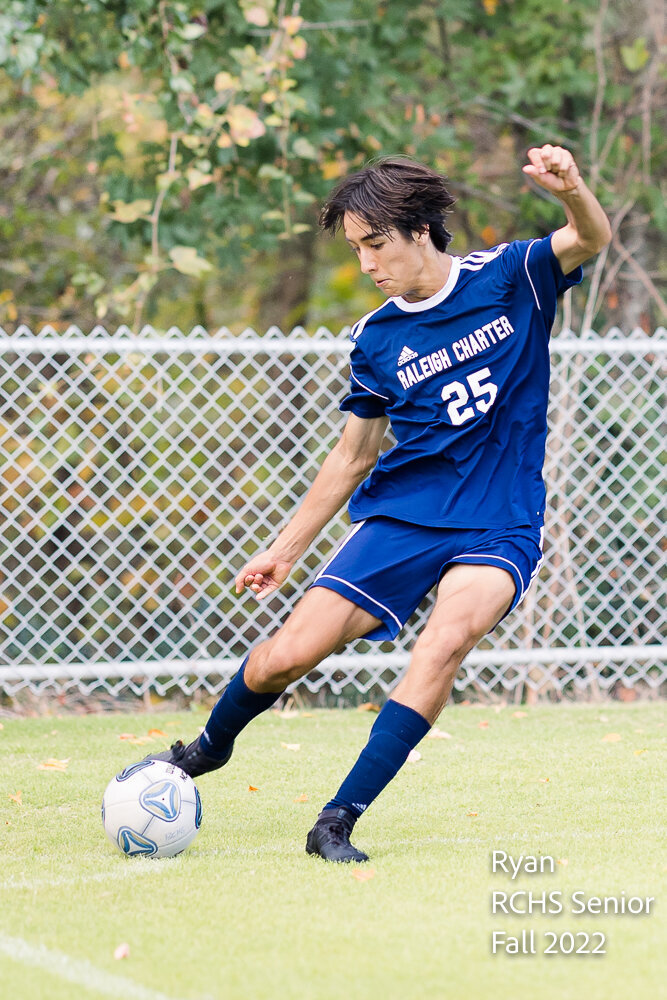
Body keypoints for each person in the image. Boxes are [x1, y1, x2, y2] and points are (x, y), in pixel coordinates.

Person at [146, 144, 611, 862]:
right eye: (356, 248)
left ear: (420, 230)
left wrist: (571, 188)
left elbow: (590, 238)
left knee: (443, 643)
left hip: (499, 519)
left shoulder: (513, 275)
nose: (366, 263)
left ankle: (336, 820)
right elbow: (353, 455)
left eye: (375, 244)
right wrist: (284, 548)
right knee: (284, 657)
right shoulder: (374, 339)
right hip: (401, 516)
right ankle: (207, 748)